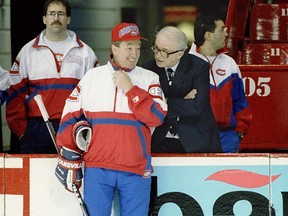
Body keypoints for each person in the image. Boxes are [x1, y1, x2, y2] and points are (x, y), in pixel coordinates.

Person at [54, 22, 167, 216]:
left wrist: (131, 90)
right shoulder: (92, 77)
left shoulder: (150, 78)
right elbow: (68, 117)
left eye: (138, 48)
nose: (134, 53)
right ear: (114, 48)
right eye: (128, 47)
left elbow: (157, 117)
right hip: (98, 168)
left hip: (136, 168)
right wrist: (68, 158)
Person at [6, 0, 98, 154]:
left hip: (72, 127)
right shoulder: (28, 52)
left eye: (61, 14)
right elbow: (15, 93)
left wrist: (89, 127)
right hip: (36, 130)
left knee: (69, 177)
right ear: (44, 18)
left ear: (68, 19)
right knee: (36, 178)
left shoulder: (85, 53)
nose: (56, 17)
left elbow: (94, 95)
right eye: (51, 14)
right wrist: (22, 131)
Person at [143, 26, 222, 153]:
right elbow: (147, 109)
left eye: (165, 51)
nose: (158, 55)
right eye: (156, 48)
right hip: (159, 140)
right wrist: (182, 100)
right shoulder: (147, 69)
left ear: (180, 53)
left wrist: (164, 102)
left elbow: (197, 108)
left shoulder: (198, 67)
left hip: (195, 140)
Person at [189, 12, 252, 153]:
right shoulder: (185, 64)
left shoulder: (230, 63)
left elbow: (240, 101)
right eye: (222, 29)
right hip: (196, 138)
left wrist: (238, 132)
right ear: (208, 35)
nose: (226, 33)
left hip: (228, 138)